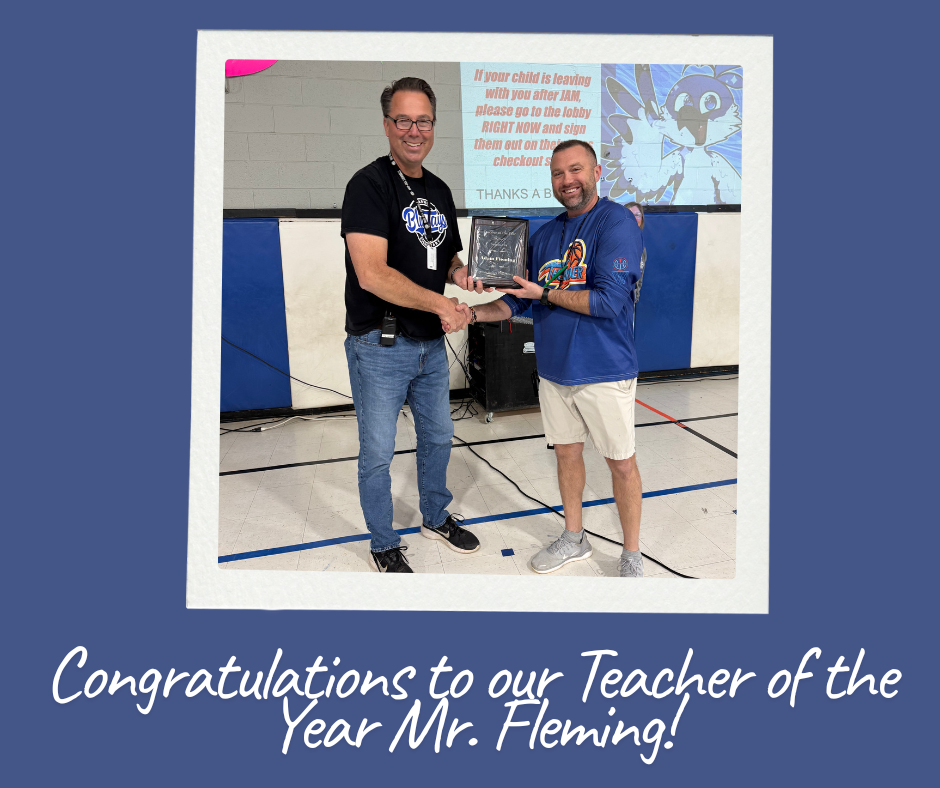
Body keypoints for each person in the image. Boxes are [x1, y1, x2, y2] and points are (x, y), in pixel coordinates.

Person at [453, 140, 645, 578]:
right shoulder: (543, 236)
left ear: (596, 173)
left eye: (575, 170)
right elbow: (517, 302)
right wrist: (471, 314)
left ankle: (631, 553)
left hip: (604, 370)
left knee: (621, 462)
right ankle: (574, 538)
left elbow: (608, 302)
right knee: (566, 455)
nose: (567, 181)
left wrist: (544, 294)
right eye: (558, 174)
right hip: (555, 372)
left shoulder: (616, 223)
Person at [340, 77, 485, 573]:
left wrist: (465, 277)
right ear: (387, 125)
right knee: (378, 452)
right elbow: (372, 273)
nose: (414, 130)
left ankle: (434, 514)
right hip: (379, 343)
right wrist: (442, 306)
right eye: (403, 120)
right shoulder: (368, 185)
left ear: (433, 126)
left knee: (440, 436)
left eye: (423, 120)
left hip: (428, 344)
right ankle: (382, 541)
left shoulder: (439, 189)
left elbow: (445, 259)